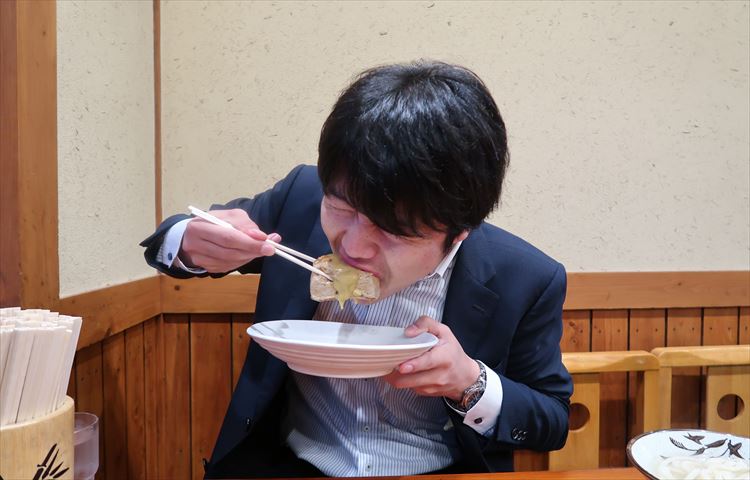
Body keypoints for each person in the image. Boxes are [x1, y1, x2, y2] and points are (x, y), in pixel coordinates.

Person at [141, 60, 572, 478]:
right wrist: (191, 243)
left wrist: (468, 382)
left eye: (393, 231)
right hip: (287, 465)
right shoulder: (302, 199)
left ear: (459, 232)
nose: (351, 247)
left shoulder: (526, 277)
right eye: (342, 208)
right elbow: (169, 240)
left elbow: (552, 420)